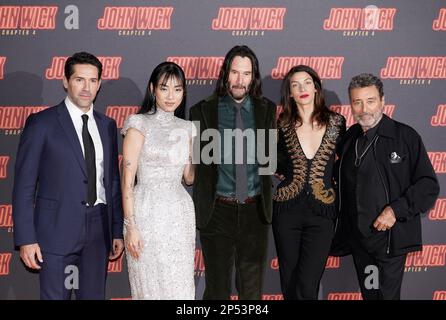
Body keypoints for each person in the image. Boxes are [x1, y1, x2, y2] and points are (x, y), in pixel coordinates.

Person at [12, 52, 124, 299]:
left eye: (93, 81)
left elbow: (112, 181)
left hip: (98, 229)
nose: (87, 88)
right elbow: (24, 186)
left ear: (99, 84)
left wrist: (117, 230)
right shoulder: (42, 123)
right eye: (79, 80)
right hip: (55, 229)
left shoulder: (107, 125)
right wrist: (26, 239)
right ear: (65, 81)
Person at [331, 73, 440, 300]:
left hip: (389, 242)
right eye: (357, 102)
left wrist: (395, 210)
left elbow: (428, 185)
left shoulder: (404, 137)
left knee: (387, 297)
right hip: (361, 243)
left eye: (370, 101)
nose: (364, 109)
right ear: (351, 104)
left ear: (382, 100)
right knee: (371, 296)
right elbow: (335, 176)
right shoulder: (350, 138)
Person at [190, 45, 276, 300]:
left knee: (252, 291)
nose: (240, 80)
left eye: (246, 74)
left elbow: (269, 162)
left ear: (254, 77)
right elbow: (199, 162)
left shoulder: (267, 110)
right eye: (235, 73)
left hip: (255, 211)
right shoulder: (202, 111)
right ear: (225, 73)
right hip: (217, 211)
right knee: (217, 289)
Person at [121, 62, 196, 300]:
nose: (171, 96)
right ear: (153, 89)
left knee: (179, 286)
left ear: (184, 91)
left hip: (179, 213)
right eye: (164, 88)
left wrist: (201, 151)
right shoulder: (138, 123)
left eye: (177, 89)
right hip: (146, 211)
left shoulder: (187, 128)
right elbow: (126, 181)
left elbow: (189, 177)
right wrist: (130, 226)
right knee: (150, 286)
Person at [272, 65, 345, 299]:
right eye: (295, 85)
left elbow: (346, 165)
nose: (302, 88)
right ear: (289, 93)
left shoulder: (337, 122)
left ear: (316, 87)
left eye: (306, 82)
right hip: (286, 211)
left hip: (322, 213)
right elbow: (268, 162)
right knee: (289, 281)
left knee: (308, 283)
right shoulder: (280, 124)